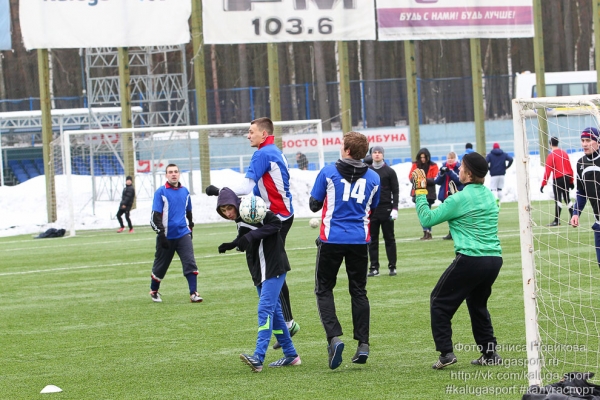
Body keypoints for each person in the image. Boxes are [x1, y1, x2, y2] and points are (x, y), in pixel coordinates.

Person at [205, 117, 299, 348]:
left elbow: (247, 187)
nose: (248, 135)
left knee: (272, 269)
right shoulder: (274, 151)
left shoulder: (262, 154)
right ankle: (286, 323)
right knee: (269, 266)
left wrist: (221, 190)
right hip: (281, 213)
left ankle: (287, 324)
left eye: (251, 131)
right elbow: (258, 188)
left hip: (276, 217)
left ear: (263, 134)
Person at [411, 152, 503, 370]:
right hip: (494, 259)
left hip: (471, 258)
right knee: (478, 304)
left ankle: (446, 353)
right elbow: (476, 214)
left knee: (439, 301)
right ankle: (490, 353)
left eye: (461, 167)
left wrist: (421, 191)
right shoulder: (489, 195)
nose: (458, 169)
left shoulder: (458, 199)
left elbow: (427, 218)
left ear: (468, 174)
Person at [309, 131, 380, 370]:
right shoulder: (374, 177)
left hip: (331, 239)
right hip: (359, 240)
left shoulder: (328, 172)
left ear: (347, 150)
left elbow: (314, 204)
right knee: (359, 291)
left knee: (323, 289)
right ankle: (363, 344)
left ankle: (334, 338)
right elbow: (373, 206)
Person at [216, 188, 301, 372]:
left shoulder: (254, 209)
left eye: (229, 208)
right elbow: (245, 237)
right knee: (275, 315)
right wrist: (232, 244)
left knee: (265, 310)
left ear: (236, 204)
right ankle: (291, 355)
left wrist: (249, 236)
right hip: (260, 271)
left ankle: (258, 357)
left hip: (273, 267)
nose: (228, 213)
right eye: (223, 210)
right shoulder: (241, 217)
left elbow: (276, 224)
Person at [149, 164, 202, 304]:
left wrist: (190, 228)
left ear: (179, 174)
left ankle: (194, 293)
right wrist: (161, 234)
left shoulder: (185, 191)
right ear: (166, 175)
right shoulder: (161, 192)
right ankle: (154, 290)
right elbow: (155, 216)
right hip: (166, 236)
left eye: (176, 172)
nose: (173, 174)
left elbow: (188, 212)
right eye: (170, 172)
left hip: (183, 234)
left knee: (190, 262)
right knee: (160, 266)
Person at [367, 145, 399, 277]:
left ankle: (392, 266)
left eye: (379, 152)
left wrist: (395, 208)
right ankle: (374, 268)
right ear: (371, 154)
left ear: (383, 155)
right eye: (375, 152)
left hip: (386, 209)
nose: (377, 154)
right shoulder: (367, 171)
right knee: (372, 240)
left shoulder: (390, 171)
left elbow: (395, 191)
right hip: (372, 210)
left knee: (389, 239)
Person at [570, 127, 600, 267]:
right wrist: (576, 212)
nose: (584, 144)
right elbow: (582, 191)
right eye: (582, 140)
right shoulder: (580, 163)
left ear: (598, 142)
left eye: (588, 140)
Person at [541, 136, 574, 226]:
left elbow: (547, 171)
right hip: (566, 177)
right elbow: (570, 168)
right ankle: (573, 218)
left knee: (558, 199)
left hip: (558, 178)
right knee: (567, 198)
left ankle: (557, 220)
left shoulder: (551, 156)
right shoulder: (564, 153)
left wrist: (543, 184)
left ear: (550, 144)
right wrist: (571, 181)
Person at [408, 148, 439, 240]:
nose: (423, 159)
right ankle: (425, 231)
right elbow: (411, 177)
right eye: (421, 157)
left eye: (424, 157)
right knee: (420, 213)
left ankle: (428, 231)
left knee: (427, 213)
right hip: (417, 192)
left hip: (429, 193)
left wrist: (422, 179)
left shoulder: (433, 165)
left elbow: (435, 178)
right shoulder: (415, 165)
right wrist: (421, 180)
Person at [434, 152, 464, 240]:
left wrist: (450, 172)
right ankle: (452, 232)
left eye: (452, 158)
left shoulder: (458, 167)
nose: (450, 160)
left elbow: (459, 180)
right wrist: (442, 173)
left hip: (455, 194)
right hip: (445, 194)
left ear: (455, 159)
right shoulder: (443, 166)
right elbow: (437, 181)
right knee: (449, 215)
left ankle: (456, 232)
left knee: (456, 214)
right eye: (448, 158)